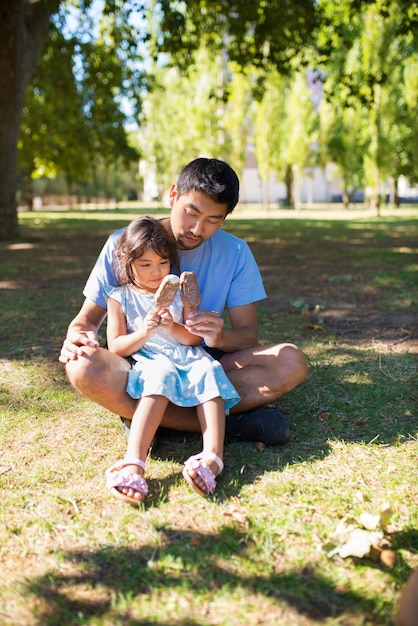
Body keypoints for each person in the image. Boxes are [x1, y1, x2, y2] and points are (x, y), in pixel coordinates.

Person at [59, 157, 308, 445]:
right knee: (81, 366)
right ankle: (228, 427)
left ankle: (151, 420)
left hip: (202, 363)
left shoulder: (237, 253)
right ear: (173, 194)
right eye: (191, 212)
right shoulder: (123, 243)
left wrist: (220, 336)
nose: (197, 229)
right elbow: (87, 319)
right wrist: (79, 335)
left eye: (213, 220)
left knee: (291, 361)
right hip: (140, 365)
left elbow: (247, 336)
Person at [104, 216, 239, 503]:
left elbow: (193, 339)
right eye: (146, 265)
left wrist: (170, 327)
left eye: (163, 263)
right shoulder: (120, 296)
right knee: (161, 374)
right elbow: (116, 346)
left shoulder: (179, 293)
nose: (156, 272)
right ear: (128, 262)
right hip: (151, 359)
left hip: (187, 355)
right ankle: (134, 463)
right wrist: (144, 332)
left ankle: (213, 458)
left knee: (208, 369)